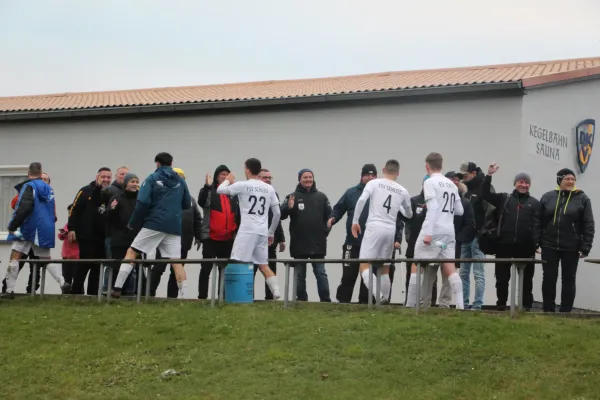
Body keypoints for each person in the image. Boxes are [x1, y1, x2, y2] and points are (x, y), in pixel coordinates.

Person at [111, 152, 192, 298]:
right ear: (171, 164)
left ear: (157, 164)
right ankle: (184, 296)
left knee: (132, 252)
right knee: (176, 261)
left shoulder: (152, 178)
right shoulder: (181, 181)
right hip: (174, 226)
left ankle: (116, 288)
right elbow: (187, 203)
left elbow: (142, 202)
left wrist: (133, 224)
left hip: (155, 223)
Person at [1, 162, 71, 299]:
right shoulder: (49, 189)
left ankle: (8, 290)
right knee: (46, 258)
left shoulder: (29, 186)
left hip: (30, 227)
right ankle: (63, 283)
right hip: (45, 229)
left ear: (28, 172)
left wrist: (12, 226)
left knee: (15, 257)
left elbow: (23, 208)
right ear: (41, 172)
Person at [216, 158, 282, 299]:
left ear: (247, 169)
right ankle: (276, 292)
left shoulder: (243, 185)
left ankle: (236, 296)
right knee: (263, 265)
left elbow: (220, 190)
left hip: (247, 230)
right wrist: (270, 232)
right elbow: (277, 213)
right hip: (262, 231)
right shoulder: (269, 188)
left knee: (237, 261)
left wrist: (228, 180)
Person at [406, 152, 465, 309]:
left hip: (434, 232)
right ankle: (460, 306)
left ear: (427, 166)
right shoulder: (452, 184)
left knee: (416, 263)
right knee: (450, 266)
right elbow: (459, 211)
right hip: (448, 234)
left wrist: (429, 234)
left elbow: (433, 208)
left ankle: (410, 304)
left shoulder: (430, 182)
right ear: (441, 165)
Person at [350, 159, 412, 304]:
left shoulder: (374, 183)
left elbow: (361, 200)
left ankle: (379, 297)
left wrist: (355, 221)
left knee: (364, 265)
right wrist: (399, 208)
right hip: (390, 229)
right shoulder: (402, 191)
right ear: (398, 172)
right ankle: (385, 302)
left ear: (383, 170)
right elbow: (409, 215)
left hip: (374, 226)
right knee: (385, 268)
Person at [482, 163, 541, 311]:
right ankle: (501, 304)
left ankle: (525, 307)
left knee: (526, 280)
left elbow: (538, 225)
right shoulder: (504, 198)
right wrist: (489, 175)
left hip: (526, 247)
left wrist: (537, 243)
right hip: (504, 245)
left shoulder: (535, 203)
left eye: (527, 182)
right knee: (502, 278)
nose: (524, 185)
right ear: (515, 183)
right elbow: (485, 194)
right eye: (521, 181)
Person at [539, 168, 595, 313]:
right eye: (567, 179)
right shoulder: (547, 197)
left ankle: (565, 312)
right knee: (549, 278)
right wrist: (537, 242)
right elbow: (538, 222)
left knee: (568, 279)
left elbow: (588, 224)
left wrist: (586, 246)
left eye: (573, 179)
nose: (570, 182)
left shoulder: (583, 198)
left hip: (572, 246)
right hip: (549, 245)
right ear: (559, 180)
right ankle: (548, 310)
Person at [280, 168, 332, 302]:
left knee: (321, 274)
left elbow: (330, 218)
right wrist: (288, 207)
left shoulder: (322, 197)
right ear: (299, 179)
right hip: (299, 243)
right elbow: (281, 215)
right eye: (305, 177)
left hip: (318, 243)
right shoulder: (292, 196)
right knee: (300, 275)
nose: (308, 180)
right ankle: (301, 300)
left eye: (310, 177)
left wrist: (324, 233)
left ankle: (325, 301)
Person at [150, 167, 202, 298]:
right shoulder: (162, 197)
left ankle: (171, 298)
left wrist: (199, 236)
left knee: (176, 271)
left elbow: (197, 219)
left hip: (183, 241)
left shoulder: (190, 200)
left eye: (182, 178)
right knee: (158, 268)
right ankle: (148, 294)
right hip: (164, 240)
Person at [197, 164, 239, 299]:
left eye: (227, 174)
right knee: (206, 269)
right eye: (222, 174)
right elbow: (201, 202)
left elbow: (238, 214)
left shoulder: (233, 193)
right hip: (211, 237)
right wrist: (206, 186)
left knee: (225, 270)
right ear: (216, 176)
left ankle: (223, 297)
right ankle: (202, 297)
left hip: (227, 238)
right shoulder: (209, 190)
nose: (225, 176)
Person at [68, 167, 112, 295]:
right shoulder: (85, 191)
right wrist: (72, 228)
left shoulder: (110, 194)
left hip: (102, 237)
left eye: (108, 177)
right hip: (86, 236)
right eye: (103, 177)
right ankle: (75, 293)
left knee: (97, 268)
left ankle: (92, 295)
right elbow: (74, 210)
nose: (106, 179)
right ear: (97, 176)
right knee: (83, 266)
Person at [457, 161, 494, 310]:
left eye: (465, 175)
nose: (463, 178)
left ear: (473, 173)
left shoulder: (483, 187)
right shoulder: (463, 190)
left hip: (478, 237)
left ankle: (477, 304)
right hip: (466, 237)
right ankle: (464, 304)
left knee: (478, 273)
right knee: (463, 273)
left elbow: (491, 211)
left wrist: (484, 231)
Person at [253, 169, 285, 300]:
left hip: (270, 240)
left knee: (271, 267)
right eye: (264, 178)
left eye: (269, 177)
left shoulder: (273, 193)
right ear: (258, 178)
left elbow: (277, 217)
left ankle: (271, 297)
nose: (268, 180)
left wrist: (281, 238)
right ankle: (249, 297)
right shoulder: (251, 193)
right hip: (255, 238)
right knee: (252, 270)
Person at [105, 173, 141, 291]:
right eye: (132, 182)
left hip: (135, 239)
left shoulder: (140, 198)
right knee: (117, 265)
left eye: (136, 182)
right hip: (119, 238)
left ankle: (131, 293)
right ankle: (114, 290)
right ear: (126, 183)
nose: (135, 184)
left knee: (133, 266)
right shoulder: (117, 197)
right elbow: (109, 215)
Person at [58, 204, 79, 287]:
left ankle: (77, 295)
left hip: (75, 257)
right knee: (66, 278)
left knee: (76, 279)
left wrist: (69, 235)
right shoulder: (68, 224)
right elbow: (60, 237)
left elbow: (80, 238)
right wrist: (63, 233)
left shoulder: (81, 223)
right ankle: (66, 295)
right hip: (66, 256)